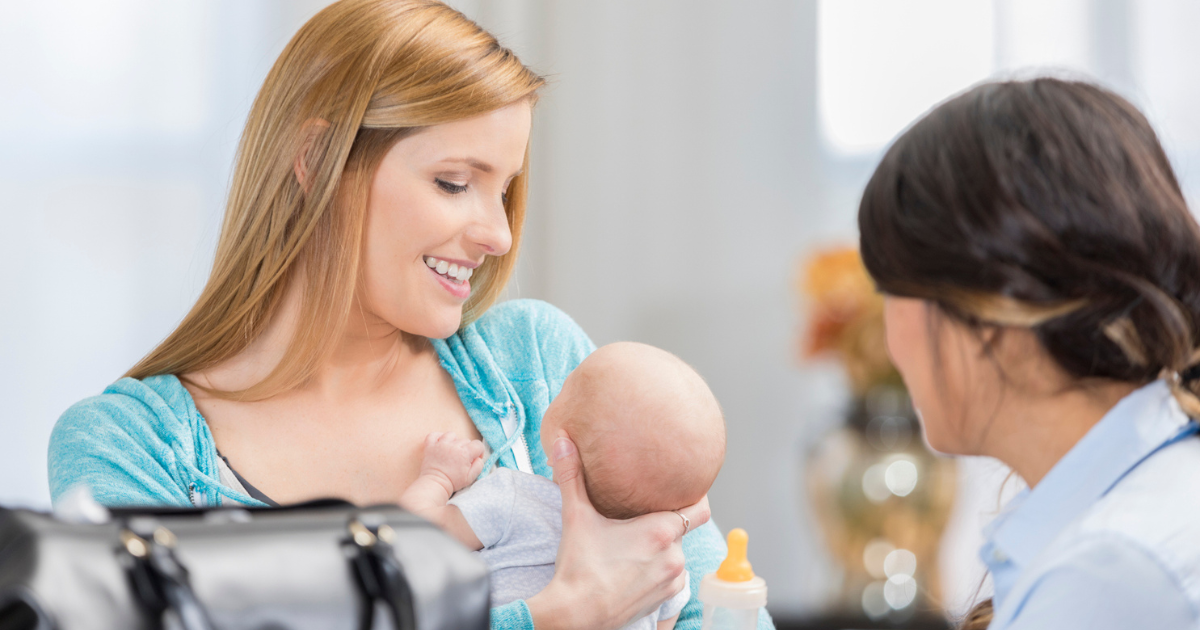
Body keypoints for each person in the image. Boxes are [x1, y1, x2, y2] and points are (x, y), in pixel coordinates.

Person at [46, 2, 766, 629]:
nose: (499, 234)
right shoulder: (125, 447)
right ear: (317, 157)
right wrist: (552, 619)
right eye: (455, 183)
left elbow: (727, 610)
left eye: (504, 190)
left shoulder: (535, 364)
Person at [859, 77, 1200, 629]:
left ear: (990, 314)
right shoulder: (1137, 512)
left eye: (890, 293)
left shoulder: (1107, 577)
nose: (888, 339)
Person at [399, 342, 728, 630]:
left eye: (566, 387)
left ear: (561, 443)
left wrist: (438, 478)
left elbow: (410, 538)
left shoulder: (514, 499)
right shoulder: (664, 573)